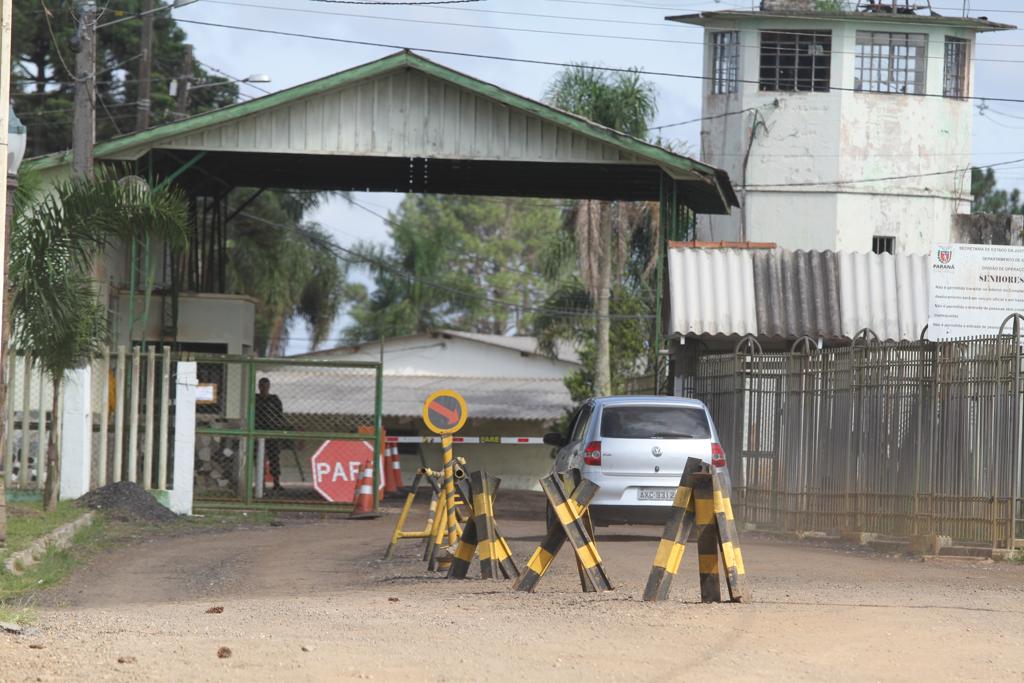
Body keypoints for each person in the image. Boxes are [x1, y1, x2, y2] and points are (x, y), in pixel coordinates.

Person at [255, 377, 287, 491]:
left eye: (266, 386)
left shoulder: (274, 399)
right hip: (258, 431)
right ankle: (260, 483)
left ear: (269, 387)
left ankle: (276, 482)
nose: (264, 388)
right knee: (258, 458)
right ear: (259, 387)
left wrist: (277, 427)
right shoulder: (255, 399)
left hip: (272, 431)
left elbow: (279, 415)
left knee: (274, 457)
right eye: (262, 386)